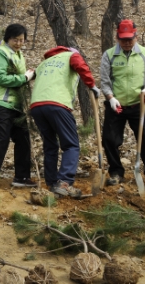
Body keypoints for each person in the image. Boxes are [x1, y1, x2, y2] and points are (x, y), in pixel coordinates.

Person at [30, 47, 100, 198]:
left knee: (50, 145)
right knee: (71, 145)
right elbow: (81, 67)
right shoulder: (72, 55)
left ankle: (51, 183)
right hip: (57, 104)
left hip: (36, 105)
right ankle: (64, 183)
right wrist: (92, 85)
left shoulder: (45, 62)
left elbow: (30, 74)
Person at [100, 19, 145, 191]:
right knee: (110, 140)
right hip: (116, 106)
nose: (127, 43)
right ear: (117, 38)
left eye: (130, 39)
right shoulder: (109, 55)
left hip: (138, 105)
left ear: (136, 36)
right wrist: (111, 97)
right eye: (123, 39)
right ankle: (116, 173)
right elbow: (105, 81)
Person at [0, 24, 36, 190]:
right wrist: (24, 78)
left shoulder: (19, 54)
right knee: (2, 139)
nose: (19, 43)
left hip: (16, 105)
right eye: (15, 39)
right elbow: (1, 78)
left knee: (23, 140)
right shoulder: (1, 53)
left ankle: (22, 176)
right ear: (7, 38)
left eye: (22, 40)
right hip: (1, 103)